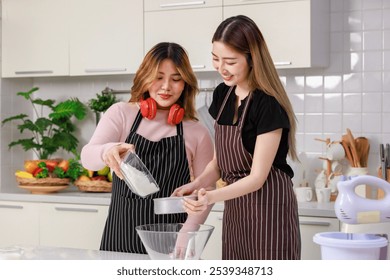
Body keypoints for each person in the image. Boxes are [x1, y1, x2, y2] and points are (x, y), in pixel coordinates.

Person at [173, 15, 301, 260]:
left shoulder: (268, 105)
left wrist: (210, 196)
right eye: (215, 59)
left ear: (252, 58)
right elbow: (219, 164)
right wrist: (197, 184)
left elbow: (256, 178)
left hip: (269, 209)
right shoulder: (223, 94)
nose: (221, 68)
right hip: (236, 208)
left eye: (230, 61)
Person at [81, 42, 214, 254]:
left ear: (185, 83)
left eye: (176, 79)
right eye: (158, 77)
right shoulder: (121, 114)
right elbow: (87, 157)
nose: (166, 86)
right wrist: (107, 151)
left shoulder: (197, 132)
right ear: (144, 77)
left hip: (172, 242)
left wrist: (187, 232)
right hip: (120, 240)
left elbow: (206, 191)